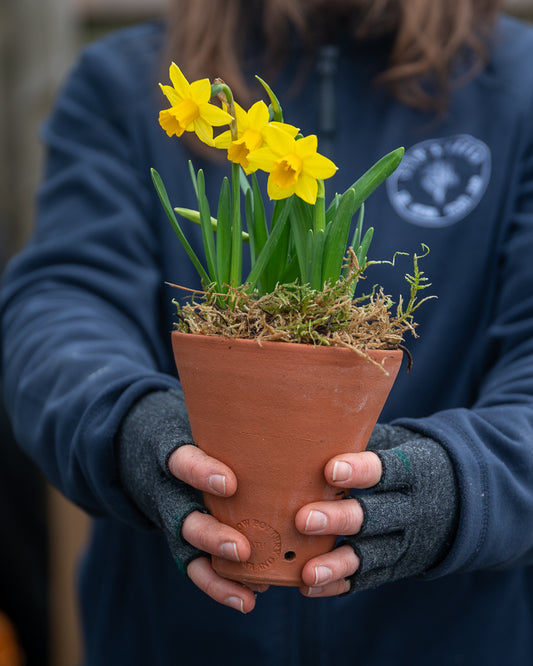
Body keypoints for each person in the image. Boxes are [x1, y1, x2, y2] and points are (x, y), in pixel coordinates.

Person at [2, 0, 533, 663]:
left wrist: (455, 489)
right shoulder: (124, 79)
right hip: (170, 639)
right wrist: (133, 430)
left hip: (457, 639)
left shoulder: (519, 85)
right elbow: (61, 307)